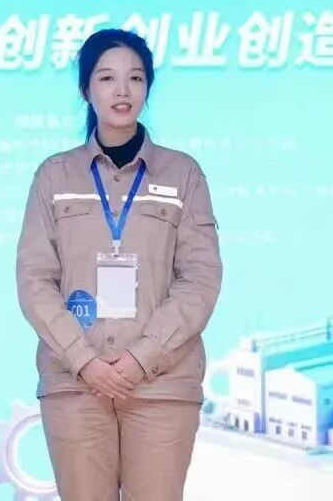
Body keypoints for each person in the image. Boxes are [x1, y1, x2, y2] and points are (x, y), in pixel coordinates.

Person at [16, 28, 222, 500]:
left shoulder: (183, 174)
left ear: (148, 86)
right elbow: (34, 280)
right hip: (76, 385)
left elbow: (200, 279)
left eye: (135, 77)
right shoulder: (54, 176)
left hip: (162, 384)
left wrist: (141, 358)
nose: (122, 90)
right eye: (107, 78)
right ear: (85, 88)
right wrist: (85, 360)